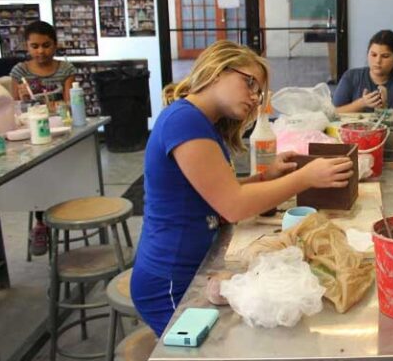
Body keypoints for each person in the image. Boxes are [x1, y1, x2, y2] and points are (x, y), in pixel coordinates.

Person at [131, 40, 354, 336]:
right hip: (170, 279)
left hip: (192, 265)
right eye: (249, 83)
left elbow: (215, 192)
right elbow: (233, 206)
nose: (254, 97)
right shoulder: (184, 121)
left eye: (258, 92)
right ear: (216, 70)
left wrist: (267, 177)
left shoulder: (200, 121)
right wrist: (305, 178)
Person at [10, 20, 75, 257]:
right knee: (37, 174)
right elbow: (17, 108)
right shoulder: (19, 72)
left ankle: (63, 211)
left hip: (60, 131)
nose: (41, 51)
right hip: (32, 136)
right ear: (27, 46)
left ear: (55, 45)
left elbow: (68, 103)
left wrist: (52, 105)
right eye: (34, 46)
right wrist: (24, 98)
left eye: (46, 45)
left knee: (65, 171)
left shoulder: (66, 69)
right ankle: (41, 223)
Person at [332, 30, 393, 113]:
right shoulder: (351, 77)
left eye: (385, 56)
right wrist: (361, 103)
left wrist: (384, 109)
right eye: (373, 55)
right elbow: (333, 112)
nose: (378, 61)